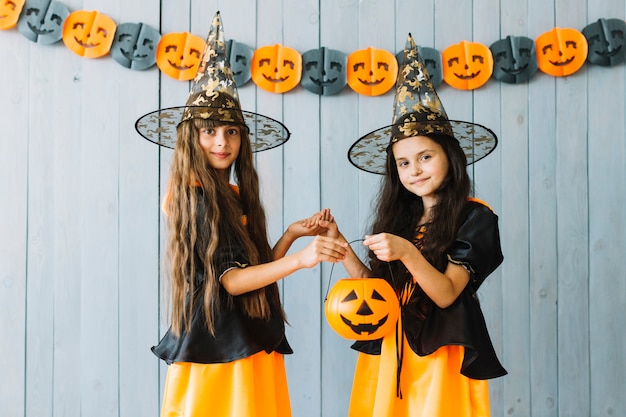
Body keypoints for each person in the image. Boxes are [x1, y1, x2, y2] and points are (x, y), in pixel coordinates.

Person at [135, 12, 346, 417]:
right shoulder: (193, 196)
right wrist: (301, 260)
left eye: (231, 131)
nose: (222, 141)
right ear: (192, 138)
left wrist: (287, 237)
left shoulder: (230, 193)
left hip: (244, 339)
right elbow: (231, 282)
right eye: (210, 131)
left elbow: (249, 268)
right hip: (217, 349)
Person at [323, 34, 507, 417]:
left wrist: (406, 250)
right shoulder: (402, 220)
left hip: (440, 354)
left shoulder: (475, 217)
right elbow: (379, 293)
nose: (415, 170)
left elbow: (444, 294)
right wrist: (341, 248)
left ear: (450, 157)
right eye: (404, 163)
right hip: (393, 348)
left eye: (425, 156)